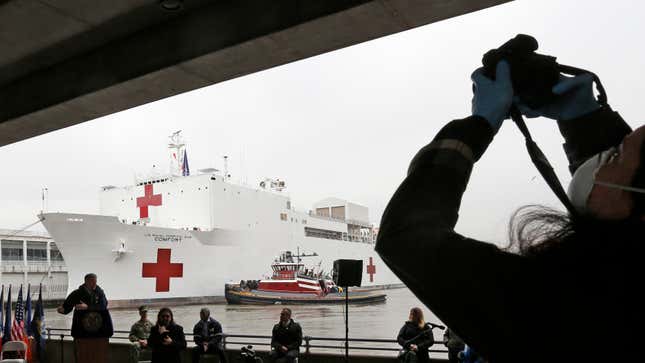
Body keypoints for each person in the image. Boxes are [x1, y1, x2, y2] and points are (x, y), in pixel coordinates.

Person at [375, 58, 645, 363]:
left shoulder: (564, 306)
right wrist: (584, 117)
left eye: (615, 157)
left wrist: (477, 126)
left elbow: (405, 237)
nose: (602, 159)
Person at [56, 273, 113, 363]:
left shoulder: (100, 292)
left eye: (95, 281)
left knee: (99, 355)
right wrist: (62, 310)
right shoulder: (77, 293)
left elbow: (103, 306)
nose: (95, 283)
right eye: (92, 281)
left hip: (99, 331)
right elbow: (67, 307)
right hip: (82, 330)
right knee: (83, 355)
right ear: (86, 281)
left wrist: (87, 307)